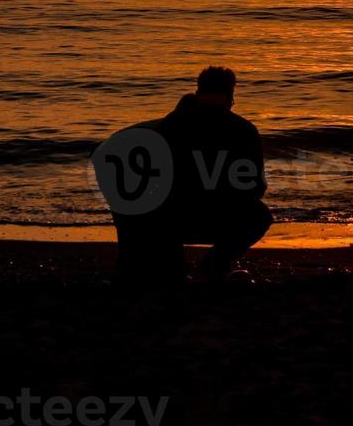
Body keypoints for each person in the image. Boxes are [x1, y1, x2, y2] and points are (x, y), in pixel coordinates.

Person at [95, 66, 272, 289]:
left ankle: (152, 267)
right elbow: (255, 187)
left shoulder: (170, 126)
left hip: (166, 219)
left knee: (144, 201)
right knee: (260, 216)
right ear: (231, 96)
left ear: (198, 92)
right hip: (218, 218)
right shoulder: (244, 130)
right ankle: (215, 263)